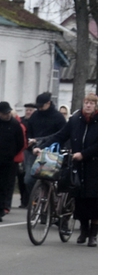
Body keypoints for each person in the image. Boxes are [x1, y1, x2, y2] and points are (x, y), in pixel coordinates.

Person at [36, 93, 98, 245]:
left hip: (95, 166)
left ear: (96, 106)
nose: (88, 105)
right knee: (80, 198)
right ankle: (83, 231)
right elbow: (60, 135)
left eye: (92, 103)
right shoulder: (76, 120)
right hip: (77, 166)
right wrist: (41, 147)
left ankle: (93, 234)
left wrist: (84, 154)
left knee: (95, 200)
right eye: (86, 102)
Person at [23, 91, 67, 199]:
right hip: (34, 151)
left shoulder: (58, 118)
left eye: (41, 106)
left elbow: (61, 135)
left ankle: (49, 199)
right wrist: (31, 143)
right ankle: (36, 198)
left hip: (51, 153)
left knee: (49, 179)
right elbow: (29, 131)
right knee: (28, 179)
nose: (40, 109)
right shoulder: (35, 116)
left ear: (48, 103)